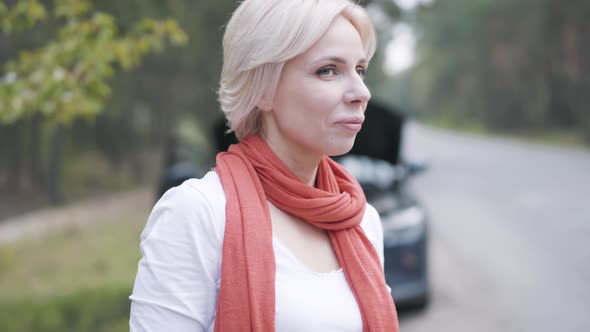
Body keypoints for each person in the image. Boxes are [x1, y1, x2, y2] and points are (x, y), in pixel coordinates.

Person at [129, 0, 399, 331]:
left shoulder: (361, 220)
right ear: (263, 88)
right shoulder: (199, 213)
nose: (361, 92)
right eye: (328, 70)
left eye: (360, 70)